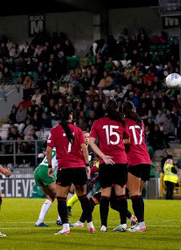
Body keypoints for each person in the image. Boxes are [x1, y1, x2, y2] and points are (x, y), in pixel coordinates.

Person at [47, 105, 94, 235]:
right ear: (71, 116)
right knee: (83, 197)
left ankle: (66, 228)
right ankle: (90, 225)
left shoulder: (55, 131)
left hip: (65, 167)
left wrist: (50, 167)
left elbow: (49, 150)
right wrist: (87, 165)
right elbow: (84, 148)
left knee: (61, 198)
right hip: (79, 167)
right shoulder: (78, 130)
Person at [89, 99, 130, 232]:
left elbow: (91, 142)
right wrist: (120, 144)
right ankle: (123, 224)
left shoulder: (98, 123)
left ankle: (103, 226)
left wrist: (103, 156)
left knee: (105, 195)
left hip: (105, 162)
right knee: (121, 194)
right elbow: (128, 140)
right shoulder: (121, 122)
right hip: (120, 161)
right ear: (117, 109)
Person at [122, 101, 152, 232]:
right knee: (138, 194)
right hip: (146, 160)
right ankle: (140, 222)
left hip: (135, 159)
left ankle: (141, 224)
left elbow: (127, 140)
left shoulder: (123, 123)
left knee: (134, 194)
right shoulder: (140, 123)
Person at [33, 148, 58, 227]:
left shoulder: (54, 147)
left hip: (38, 170)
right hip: (46, 170)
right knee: (62, 195)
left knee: (50, 197)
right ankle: (61, 220)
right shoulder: (64, 147)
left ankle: (39, 221)